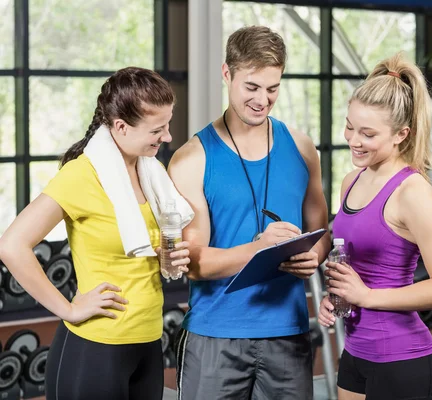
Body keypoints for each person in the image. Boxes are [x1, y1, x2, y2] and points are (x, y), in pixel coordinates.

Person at [0, 67, 192, 400]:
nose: (168, 137)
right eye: (157, 129)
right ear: (121, 127)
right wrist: (68, 309)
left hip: (148, 340)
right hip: (96, 346)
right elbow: (12, 245)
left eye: (168, 125)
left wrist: (168, 257)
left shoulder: (152, 172)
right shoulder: (82, 175)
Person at [168, 26, 330, 400]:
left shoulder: (302, 148)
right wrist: (260, 249)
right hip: (215, 334)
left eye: (272, 88)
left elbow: (320, 231)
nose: (263, 100)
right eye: (252, 88)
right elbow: (193, 262)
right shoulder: (192, 159)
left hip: (288, 332)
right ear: (227, 74)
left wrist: (313, 256)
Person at [317, 53, 432, 400]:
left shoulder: (413, 192)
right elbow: (355, 265)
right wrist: (336, 297)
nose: (353, 139)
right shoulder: (351, 181)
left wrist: (366, 296)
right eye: (350, 126)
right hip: (356, 352)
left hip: (402, 359)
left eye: (367, 133)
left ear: (401, 134)